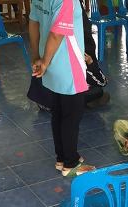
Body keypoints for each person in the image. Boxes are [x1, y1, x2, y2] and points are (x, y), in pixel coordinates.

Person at [29, 0, 95, 177]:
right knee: (71, 115)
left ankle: (62, 158)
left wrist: (38, 57)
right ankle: (70, 164)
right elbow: (57, 34)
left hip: (49, 63)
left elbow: (34, 23)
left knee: (58, 111)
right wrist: (45, 61)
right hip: (67, 64)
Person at [80, 0, 111, 108]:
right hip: (64, 97)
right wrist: (91, 63)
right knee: (98, 91)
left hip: (43, 99)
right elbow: (102, 82)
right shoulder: (81, 56)